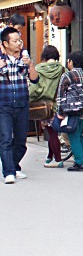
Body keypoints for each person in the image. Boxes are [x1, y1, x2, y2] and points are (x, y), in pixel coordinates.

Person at [0, 26, 38, 183]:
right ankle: (9, 172)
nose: (19, 43)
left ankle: (14, 166)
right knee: (6, 139)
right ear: (5, 43)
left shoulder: (24, 59)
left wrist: (30, 65)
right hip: (4, 105)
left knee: (21, 142)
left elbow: (35, 79)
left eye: (19, 40)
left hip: (22, 105)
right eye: (15, 41)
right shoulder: (1, 61)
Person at [56, 51, 83, 172]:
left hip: (73, 110)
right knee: (79, 135)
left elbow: (61, 95)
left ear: (71, 62)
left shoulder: (67, 76)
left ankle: (79, 162)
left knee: (73, 135)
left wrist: (60, 111)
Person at [29, 45, 66, 166]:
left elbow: (35, 89)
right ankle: (50, 156)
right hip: (58, 105)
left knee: (52, 133)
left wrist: (29, 99)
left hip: (44, 106)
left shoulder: (39, 69)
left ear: (44, 56)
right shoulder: (62, 69)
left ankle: (58, 160)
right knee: (52, 131)